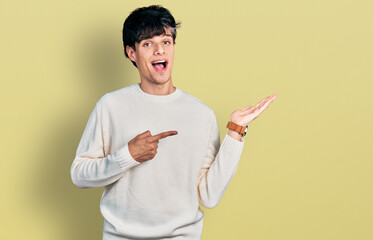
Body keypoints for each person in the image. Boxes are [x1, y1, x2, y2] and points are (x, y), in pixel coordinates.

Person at [70, 5, 277, 240]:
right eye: (148, 43)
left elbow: (209, 196)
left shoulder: (201, 114)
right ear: (132, 53)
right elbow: (79, 175)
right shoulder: (110, 106)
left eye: (166, 42)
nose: (159, 50)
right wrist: (128, 155)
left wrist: (236, 131)